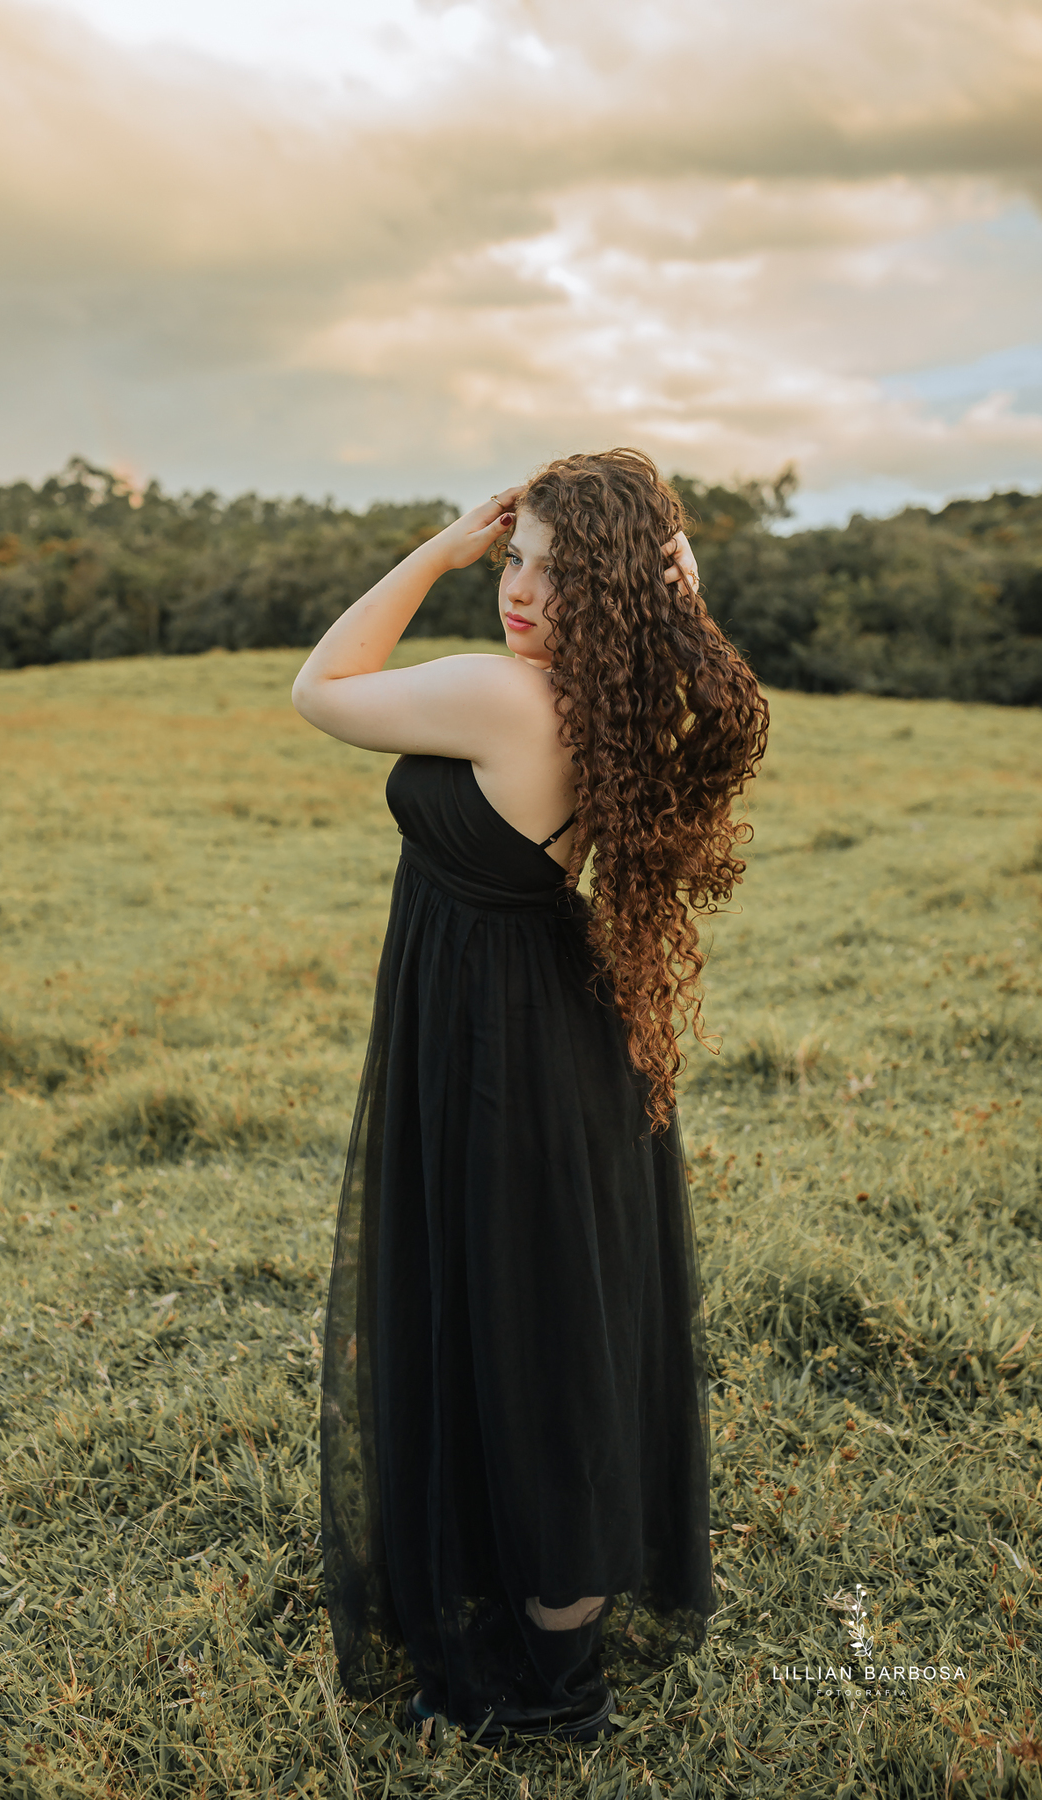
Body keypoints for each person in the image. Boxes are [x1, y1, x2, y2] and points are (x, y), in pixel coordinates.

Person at [292, 448, 769, 1744]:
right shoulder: (623, 696)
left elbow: (318, 686)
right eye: (513, 558)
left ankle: (551, 1688)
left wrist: (437, 549)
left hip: (501, 1046)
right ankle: (543, 1626)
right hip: (544, 1033)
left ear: (607, 589)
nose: (520, 591)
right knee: (544, 1323)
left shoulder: (506, 699)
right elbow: (716, 695)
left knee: (526, 1328)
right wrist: (684, 599)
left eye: (557, 572)